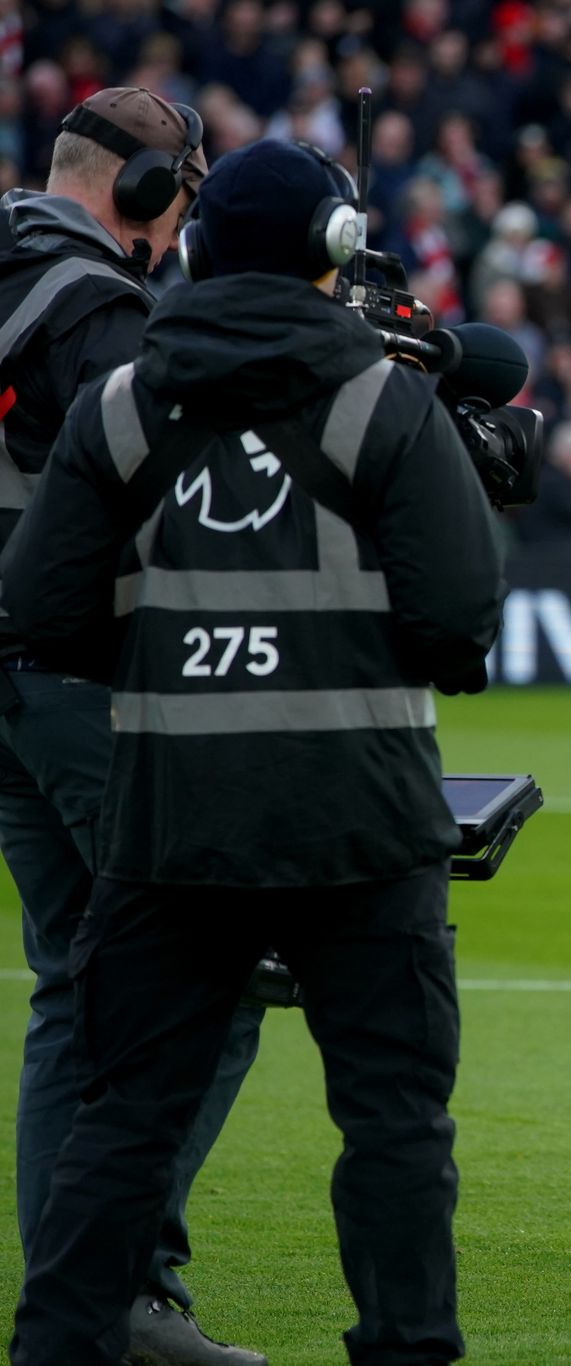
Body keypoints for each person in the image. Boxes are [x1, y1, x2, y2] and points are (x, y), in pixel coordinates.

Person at [3, 138, 504, 1365]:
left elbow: (42, 607)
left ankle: (60, 1347)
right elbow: (457, 620)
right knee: (391, 1124)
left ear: (203, 241)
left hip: (171, 819)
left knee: (121, 1122)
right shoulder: (386, 398)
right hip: (366, 822)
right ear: (337, 253)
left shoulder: (124, 401)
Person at [0, 87, 267, 1366]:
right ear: (150, 188)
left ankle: (81, 1300)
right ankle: (115, 1295)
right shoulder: (91, 301)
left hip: (11, 685)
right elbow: (172, 479)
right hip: (83, 678)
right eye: (185, 198)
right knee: (202, 979)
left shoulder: (15, 266)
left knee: (76, 986)